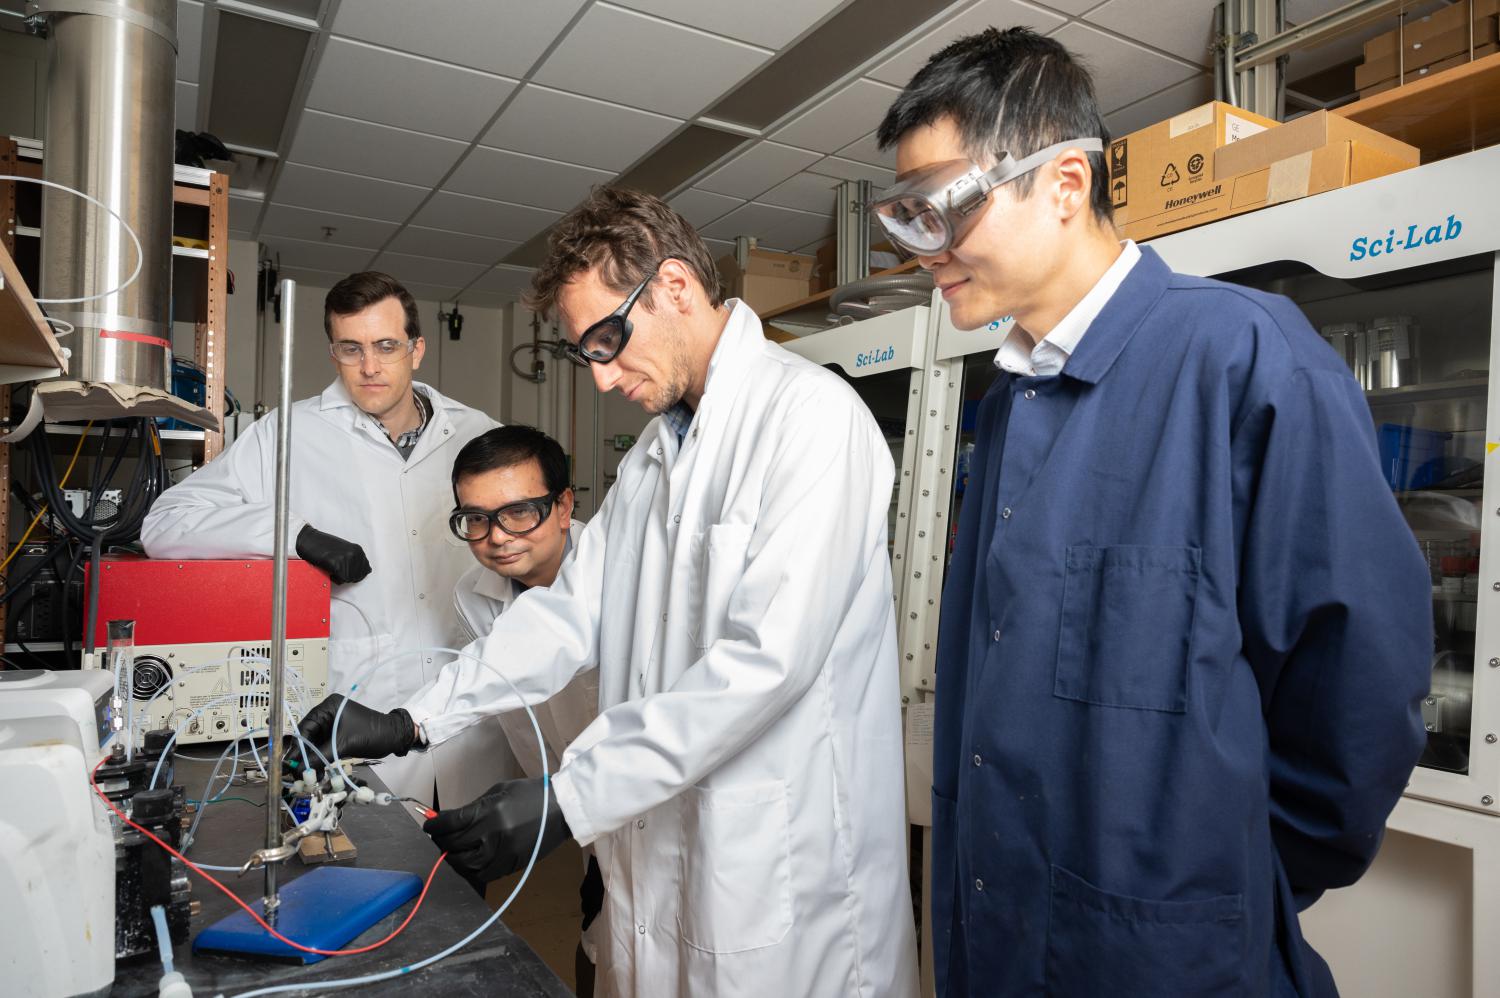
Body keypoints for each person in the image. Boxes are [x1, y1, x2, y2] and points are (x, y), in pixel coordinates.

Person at [869, 27, 1433, 998]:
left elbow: (1363, 694)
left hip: (1174, 955)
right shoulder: (1008, 403)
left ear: (1066, 184)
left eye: (948, 206)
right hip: (1001, 942)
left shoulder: (1244, 359)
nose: (928, 249)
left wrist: (1224, 872)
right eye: (908, 216)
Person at [297, 187, 919, 998]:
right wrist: (416, 717)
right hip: (663, 859)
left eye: (607, 341)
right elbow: (566, 611)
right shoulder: (653, 460)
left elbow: (766, 665)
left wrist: (569, 798)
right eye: (584, 353)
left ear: (674, 287)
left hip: (781, 865)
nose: (599, 377)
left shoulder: (811, 422)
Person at [141, 271, 498, 803]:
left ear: (416, 349)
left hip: (471, 719)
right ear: (333, 353)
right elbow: (164, 523)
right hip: (356, 719)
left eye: (386, 346)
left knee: (470, 878)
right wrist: (295, 535)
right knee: (371, 867)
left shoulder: (477, 434)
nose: (370, 366)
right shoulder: (288, 432)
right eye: (351, 348)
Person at [447, 424, 606, 991]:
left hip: (643, 799)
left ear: (564, 506)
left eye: (520, 513)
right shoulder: (475, 591)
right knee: (599, 937)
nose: (497, 537)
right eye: (476, 519)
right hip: (576, 803)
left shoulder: (619, 573)